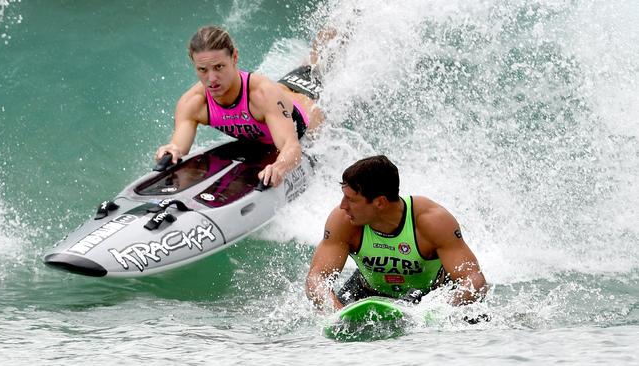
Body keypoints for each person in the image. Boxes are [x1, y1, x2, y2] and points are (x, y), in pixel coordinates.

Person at [305, 155, 488, 310]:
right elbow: (317, 278)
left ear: (380, 202)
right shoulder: (343, 220)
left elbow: (474, 280)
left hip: (431, 297)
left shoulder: (431, 221)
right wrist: (334, 311)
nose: (343, 206)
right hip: (367, 292)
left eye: (351, 199)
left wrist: (439, 310)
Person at [155, 26, 324, 187]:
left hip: (311, 102)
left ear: (235, 57)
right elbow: (178, 146)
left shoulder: (262, 94)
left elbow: (292, 147)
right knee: (312, 62)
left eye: (218, 67)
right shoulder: (192, 103)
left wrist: (279, 167)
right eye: (202, 69)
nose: (211, 78)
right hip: (281, 96)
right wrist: (172, 150)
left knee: (321, 63)